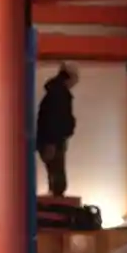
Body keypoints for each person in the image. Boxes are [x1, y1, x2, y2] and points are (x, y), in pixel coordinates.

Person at [33, 63, 78, 197]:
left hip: (51, 141)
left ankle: (54, 199)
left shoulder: (54, 93)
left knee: (55, 177)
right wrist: (51, 142)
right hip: (53, 141)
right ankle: (57, 204)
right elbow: (54, 119)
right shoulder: (59, 95)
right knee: (57, 179)